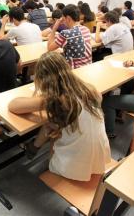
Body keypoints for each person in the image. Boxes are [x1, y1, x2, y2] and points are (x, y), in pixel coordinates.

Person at [8, 52, 111, 181]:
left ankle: (34, 148)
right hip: (100, 158)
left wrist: (40, 99)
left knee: (52, 128)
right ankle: (33, 148)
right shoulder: (90, 89)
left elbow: (13, 105)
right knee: (55, 124)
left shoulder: (55, 98)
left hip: (75, 167)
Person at [48, 4, 92, 69]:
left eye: (63, 18)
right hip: (88, 67)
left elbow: (49, 48)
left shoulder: (65, 34)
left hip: (74, 72)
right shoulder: (86, 29)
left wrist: (54, 27)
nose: (62, 21)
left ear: (68, 18)